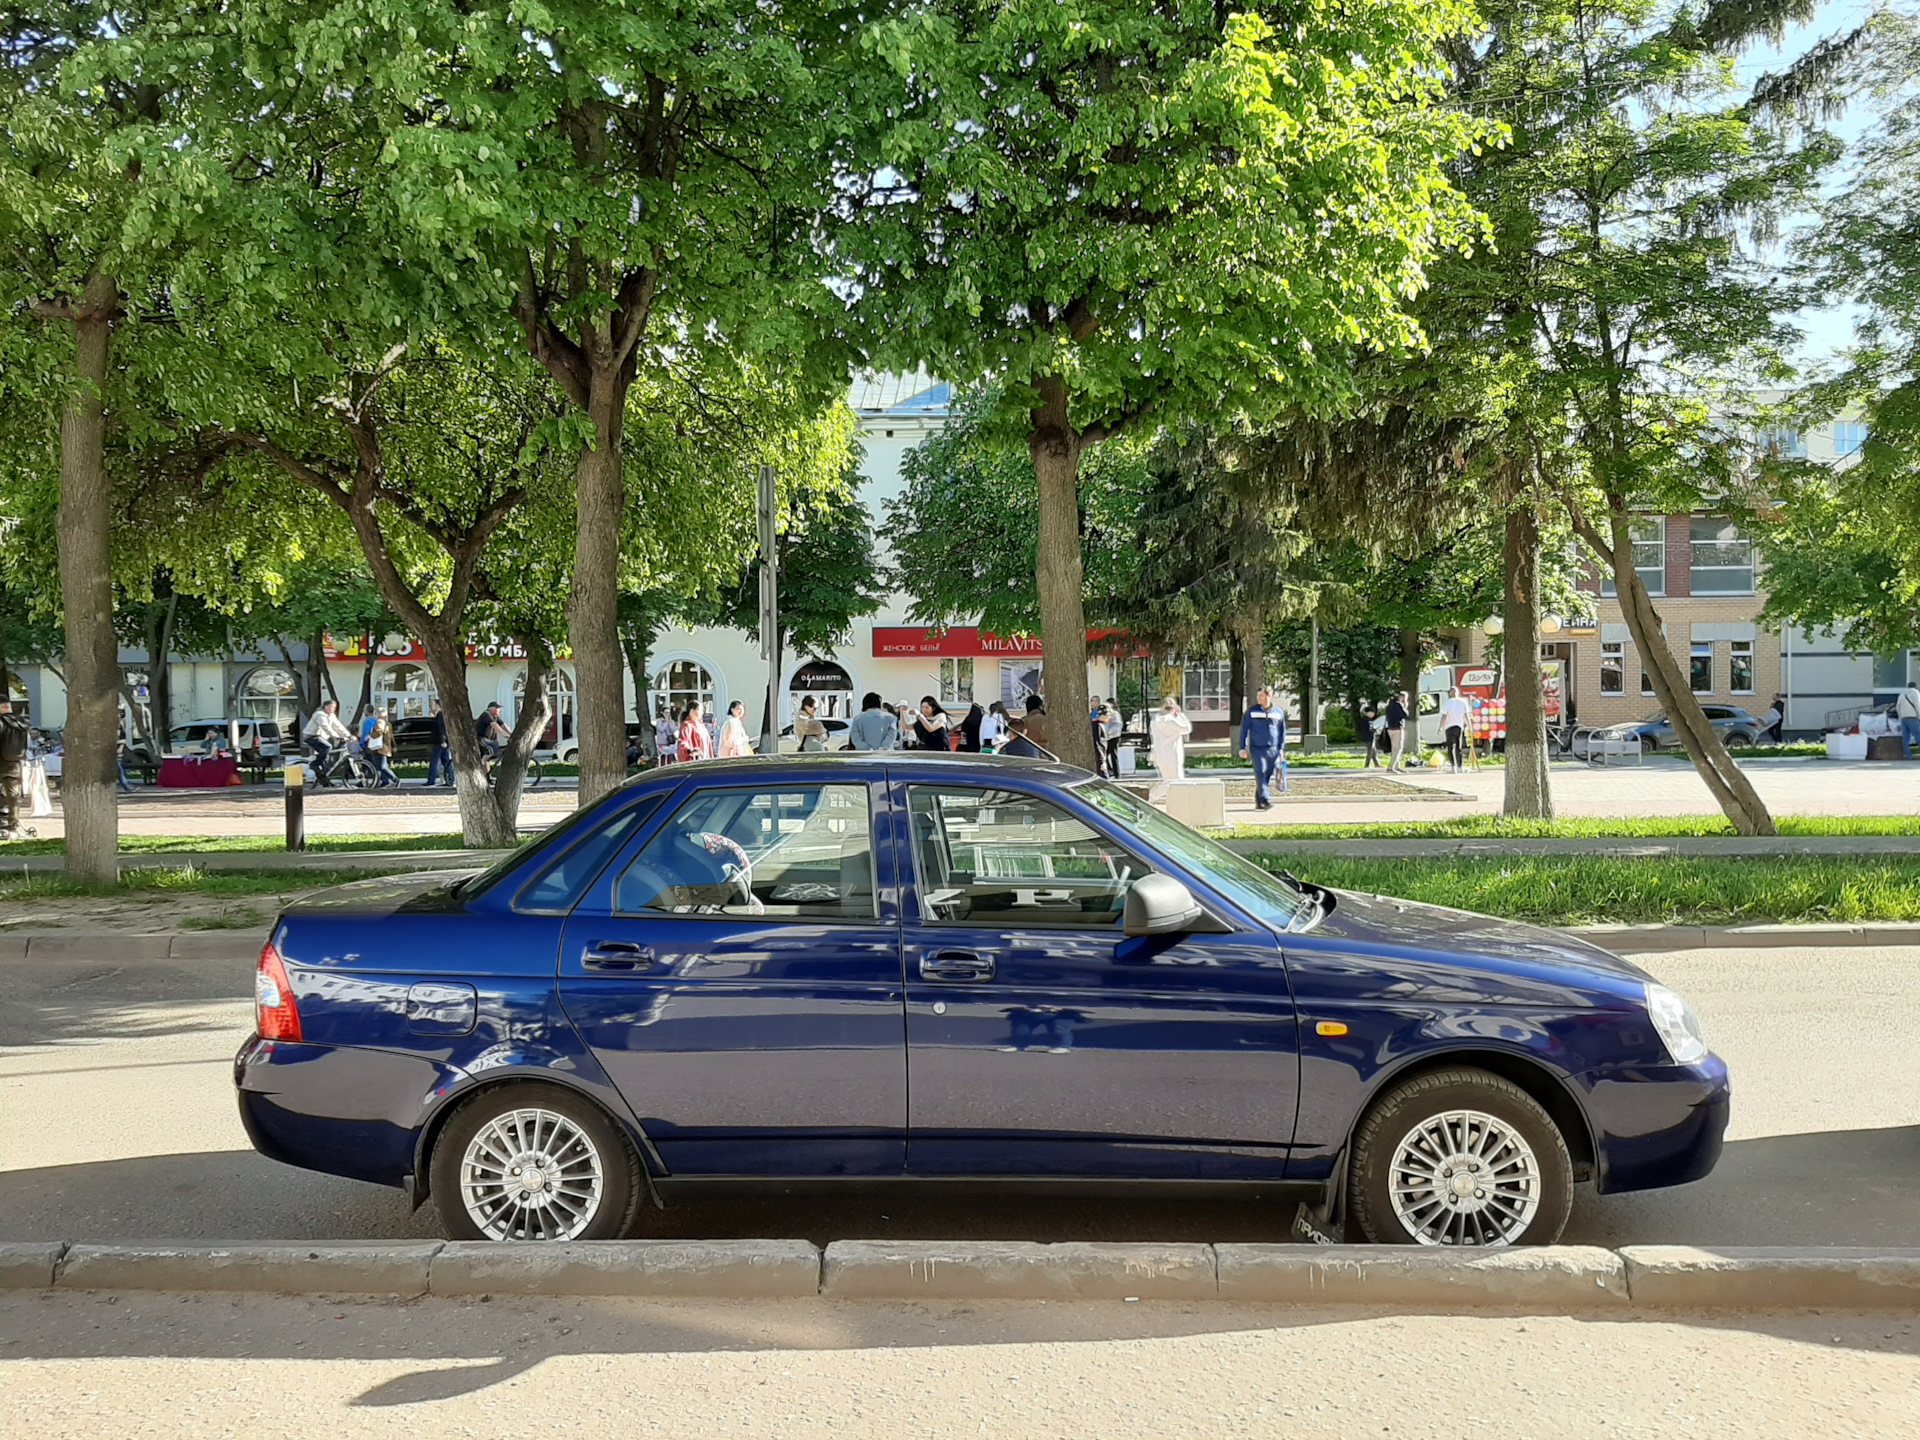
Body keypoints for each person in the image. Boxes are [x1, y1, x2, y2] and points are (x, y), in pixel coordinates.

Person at [1238, 686, 1287, 809]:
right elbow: (1244, 730)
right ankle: (1266, 799)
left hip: (1273, 749)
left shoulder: (1278, 712)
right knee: (1260, 771)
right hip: (1257, 748)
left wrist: (1281, 749)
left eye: (1262, 695)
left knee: (1266, 775)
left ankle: (1259, 800)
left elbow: (1282, 732)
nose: (1259, 698)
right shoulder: (1251, 711)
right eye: (1258, 696)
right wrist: (1242, 748)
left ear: (1269, 696)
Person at [1148, 696, 1192, 802]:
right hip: (1172, 756)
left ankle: (1156, 798)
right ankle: (1151, 797)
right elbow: (1187, 728)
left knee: (1168, 781)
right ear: (1174, 708)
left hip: (1160, 756)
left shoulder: (1154, 722)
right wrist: (1181, 715)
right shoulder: (1172, 721)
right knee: (1175, 782)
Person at [302, 700, 353, 786]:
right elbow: (326, 727)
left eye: (334, 708)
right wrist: (336, 736)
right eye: (331, 707)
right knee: (328, 747)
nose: (332, 709)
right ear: (325, 706)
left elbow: (338, 726)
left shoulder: (331, 715)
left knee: (326, 760)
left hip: (320, 737)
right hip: (311, 737)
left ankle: (325, 781)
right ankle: (314, 764)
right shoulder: (319, 715)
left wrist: (348, 735)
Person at [0, 700, 28, 836]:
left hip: (1, 761)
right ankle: (13, 823)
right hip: (15, 761)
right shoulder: (22, 723)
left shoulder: (1, 722)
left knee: (9, 794)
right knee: (13, 795)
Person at [1439, 686, 1472, 773]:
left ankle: (1453, 766)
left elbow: (1444, 716)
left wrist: (1441, 727)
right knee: (1458, 747)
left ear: (1451, 693)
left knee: (1451, 747)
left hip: (1449, 726)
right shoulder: (1463, 702)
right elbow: (1466, 716)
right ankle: (1460, 766)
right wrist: (1470, 726)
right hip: (1459, 726)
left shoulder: (1447, 703)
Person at [365, 710, 399, 788]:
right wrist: (394, 746)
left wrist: (370, 736)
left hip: (378, 748)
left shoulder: (379, 722)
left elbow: (378, 732)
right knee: (379, 766)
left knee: (381, 767)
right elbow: (391, 736)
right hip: (385, 747)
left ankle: (395, 779)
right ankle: (384, 781)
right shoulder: (388, 724)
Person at [423, 699, 453, 787]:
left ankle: (431, 780)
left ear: (437, 706)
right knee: (446, 761)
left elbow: (441, 729)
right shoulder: (442, 715)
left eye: (433, 704)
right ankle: (450, 780)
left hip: (439, 742)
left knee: (434, 761)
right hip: (442, 742)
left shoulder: (440, 715)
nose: (432, 706)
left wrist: (443, 741)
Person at [1384, 690, 1411, 771]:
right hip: (1397, 728)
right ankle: (1391, 766)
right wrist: (1405, 707)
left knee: (1394, 748)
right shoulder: (1399, 705)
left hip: (1390, 728)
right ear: (1402, 698)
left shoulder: (1390, 705)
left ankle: (1397, 765)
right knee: (1398, 748)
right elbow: (1405, 715)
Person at [1897, 676, 1920, 760]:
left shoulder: (1902, 693)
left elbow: (1898, 706)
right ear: (1915, 686)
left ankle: (1908, 755)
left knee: (1906, 738)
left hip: (1904, 718)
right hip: (1913, 717)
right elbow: (1917, 705)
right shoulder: (1915, 693)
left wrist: (1900, 716)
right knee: (1918, 736)